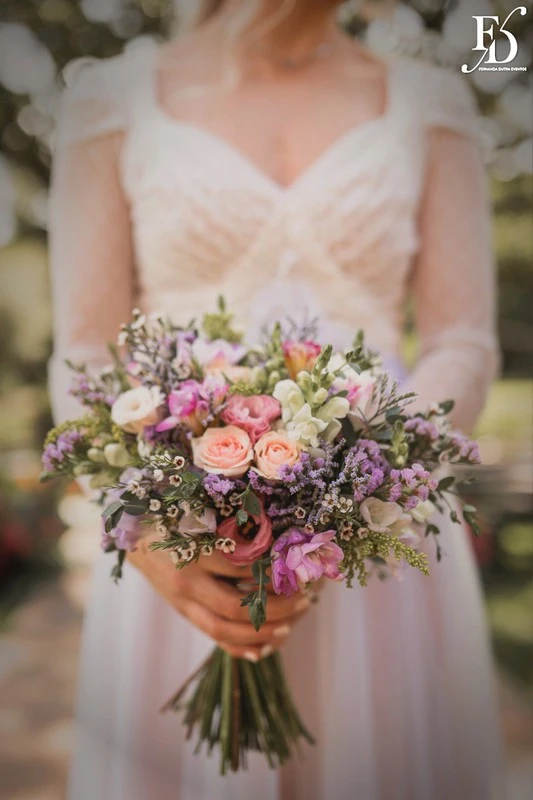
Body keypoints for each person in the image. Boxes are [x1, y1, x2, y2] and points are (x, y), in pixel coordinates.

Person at [48, 1, 503, 797]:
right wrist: (146, 533)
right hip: (182, 540)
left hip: (377, 547)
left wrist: (372, 475)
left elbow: (462, 338)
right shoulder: (111, 100)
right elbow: (84, 354)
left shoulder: (432, 102)